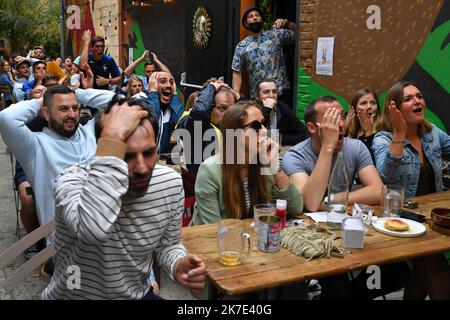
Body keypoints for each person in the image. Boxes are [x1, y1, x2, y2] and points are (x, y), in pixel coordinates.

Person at [42, 96, 207, 300]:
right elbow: (94, 230)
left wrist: (178, 264)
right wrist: (112, 136)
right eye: (126, 155)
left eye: (148, 153)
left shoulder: (170, 184)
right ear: (103, 149)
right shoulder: (71, 181)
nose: (141, 167)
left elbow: (169, 245)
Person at [372, 80, 450, 299]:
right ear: (394, 109)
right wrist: (398, 135)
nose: (417, 101)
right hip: (401, 218)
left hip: (433, 217)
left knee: (423, 271)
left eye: (419, 96)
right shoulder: (383, 139)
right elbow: (386, 179)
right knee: (433, 263)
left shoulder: (432, 133)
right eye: (408, 98)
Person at [0, 85, 116, 228]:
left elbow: (119, 104)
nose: (72, 114)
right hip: (62, 244)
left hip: (105, 233)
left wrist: (78, 93)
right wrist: (42, 100)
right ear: (46, 113)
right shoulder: (35, 146)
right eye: (63, 109)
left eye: (75, 108)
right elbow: (6, 118)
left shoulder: (90, 132)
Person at [191, 100, 303, 225]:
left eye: (264, 123)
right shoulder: (210, 170)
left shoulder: (263, 164)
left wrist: (275, 168)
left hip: (252, 238)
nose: (265, 131)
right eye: (255, 126)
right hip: (213, 241)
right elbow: (213, 229)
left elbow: (296, 207)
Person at [282, 96, 383, 212]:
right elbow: (310, 203)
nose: (340, 124)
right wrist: (328, 147)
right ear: (312, 127)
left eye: (342, 117)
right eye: (331, 120)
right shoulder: (294, 156)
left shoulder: (357, 147)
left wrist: (333, 199)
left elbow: (378, 191)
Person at [232, 6, 296, 104]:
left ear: (261, 20)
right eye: (251, 16)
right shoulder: (241, 46)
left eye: (257, 15)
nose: (254, 17)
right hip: (258, 95)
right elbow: (237, 72)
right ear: (245, 23)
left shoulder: (276, 35)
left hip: (281, 92)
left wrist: (287, 23)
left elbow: (301, 33)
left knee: (284, 119)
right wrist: (235, 94)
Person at [176, 79, 238, 176]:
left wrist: (235, 95)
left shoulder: (229, 128)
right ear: (208, 107)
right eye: (222, 108)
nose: (228, 114)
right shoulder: (198, 126)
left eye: (231, 109)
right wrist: (211, 87)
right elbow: (200, 111)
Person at [255, 79, 308, 146]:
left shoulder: (281, 107)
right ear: (258, 96)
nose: (271, 95)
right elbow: (255, 135)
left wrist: (279, 138)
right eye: (266, 92)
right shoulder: (253, 110)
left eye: (274, 91)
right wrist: (267, 109)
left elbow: (303, 133)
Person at [147, 71, 184, 153]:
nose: (168, 85)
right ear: (153, 85)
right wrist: (153, 93)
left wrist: (174, 95)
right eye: (163, 81)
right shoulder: (140, 103)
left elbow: (180, 124)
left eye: (171, 83)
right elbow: (152, 121)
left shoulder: (171, 107)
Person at [346, 88, 382, 161]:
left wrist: (369, 133)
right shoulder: (350, 131)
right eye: (363, 103)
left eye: (373, 103)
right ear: (354, 109)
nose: (369, 107)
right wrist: (344, 129)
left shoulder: (383, 130)